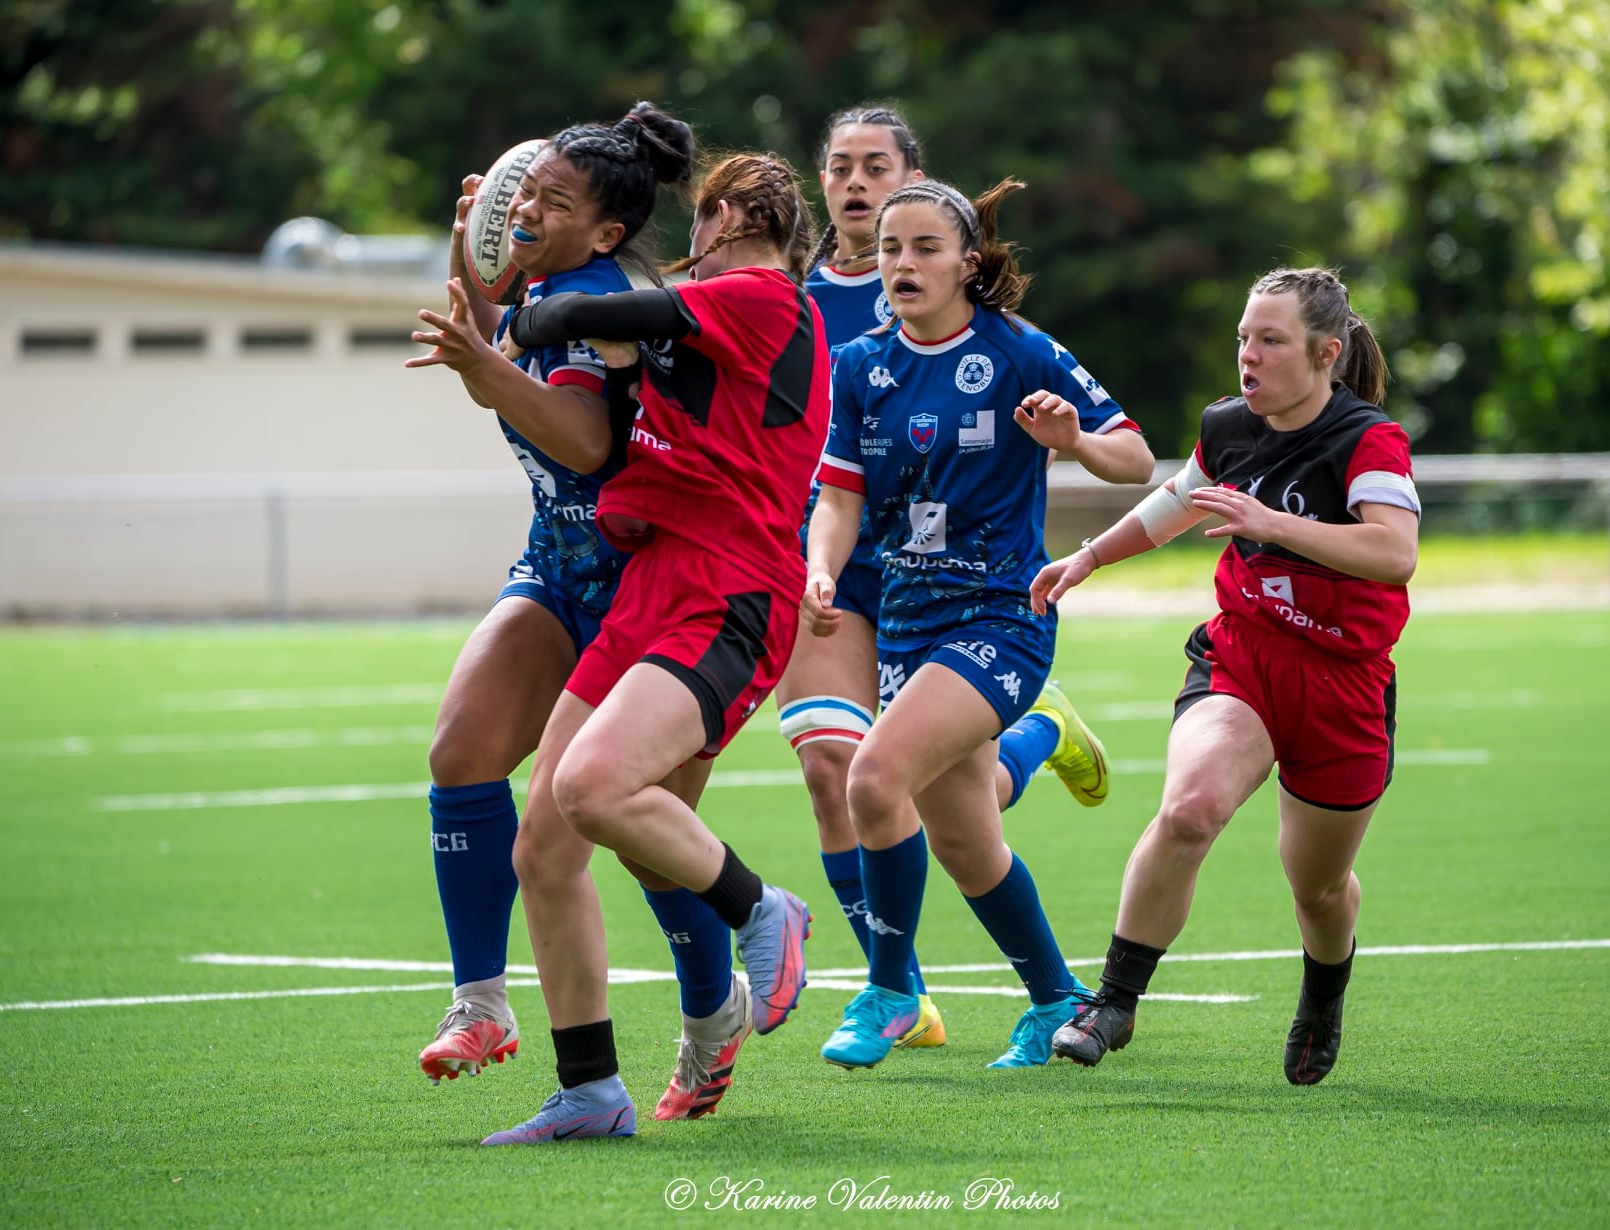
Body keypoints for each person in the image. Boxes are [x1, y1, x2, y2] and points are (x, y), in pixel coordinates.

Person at [477, 151, 831, 1143]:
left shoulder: (764, 297)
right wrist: (504, 275)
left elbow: (605, 314)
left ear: (729, 218)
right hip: (654, 577)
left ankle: (764, 910)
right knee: (544, 845)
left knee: (592, 789)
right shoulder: (709, 314)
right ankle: (591, 1090)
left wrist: (531, 317)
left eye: (699, 222)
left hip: (728, 584)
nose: (688, 245)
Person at [405, 105, 727, 1108]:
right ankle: (480, 1002)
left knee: (647, 843)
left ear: (606, 233)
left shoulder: (598, 304)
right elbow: (487, 367)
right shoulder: (543, 285)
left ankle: (712, 1015)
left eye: (554, 199)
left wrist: (484, 356)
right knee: (462, 751)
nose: (529, 209)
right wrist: (469, 250)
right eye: (526, 191)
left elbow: (585, 440)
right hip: (557, 567)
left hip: (654, 589)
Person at [781, 108, 1116, 1053]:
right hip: (906, 623)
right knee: (965, 837)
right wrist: (820, 568)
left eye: (926, 247)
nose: (904, 262)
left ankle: (889, 990)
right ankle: (1055, 1000)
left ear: (968, 261)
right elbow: (838, 496)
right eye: (893, 249)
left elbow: (1132, 456)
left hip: (1003, 617)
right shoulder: (859, 366)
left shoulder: (1018, 350)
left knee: (872, 775)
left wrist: (1073, 440)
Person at [1033, 266, 1418, 1085]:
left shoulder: (1368, 439)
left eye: (1270, 340)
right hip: (1244, 657)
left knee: (1318, 890)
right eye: (1244, 337)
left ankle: (1323, 994)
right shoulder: (1228, 425)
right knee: (1190, 810)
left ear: (1325, 353)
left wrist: (1272, 523)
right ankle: (1112, 1003)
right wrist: (1089, 557)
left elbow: (1394, 552)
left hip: (1344, 686)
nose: (1248, 354)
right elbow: (1178, 499)